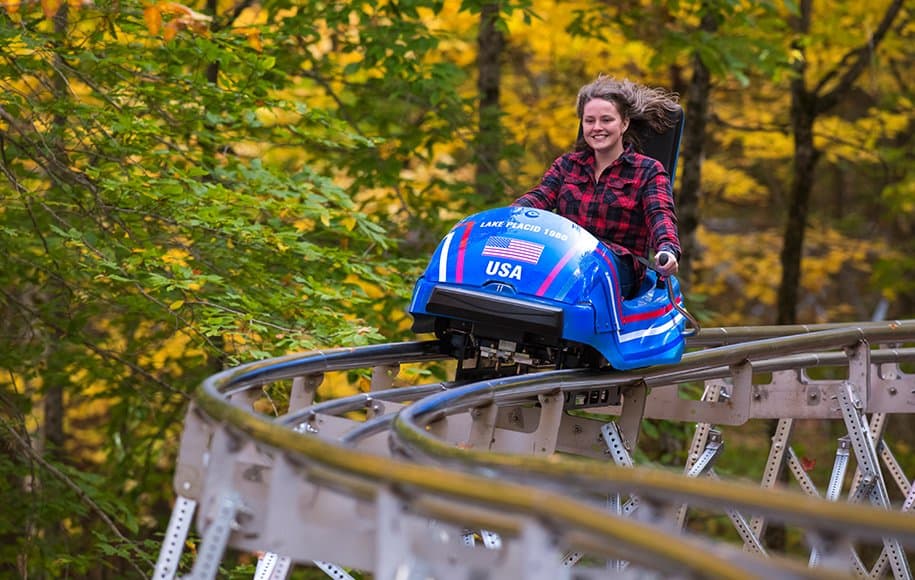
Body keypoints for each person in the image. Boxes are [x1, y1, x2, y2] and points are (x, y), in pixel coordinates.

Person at [513, 75, 682, 298]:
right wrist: (508, 217)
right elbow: (538, 198)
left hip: (615, 268)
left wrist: (668, 250)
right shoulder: (567, 165)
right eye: (589, 120)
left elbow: (660, 216)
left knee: (583, 269)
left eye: (606, 120)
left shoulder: (649, 171)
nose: (597, 128)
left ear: (624, 123)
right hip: (564, 259)